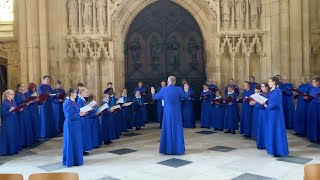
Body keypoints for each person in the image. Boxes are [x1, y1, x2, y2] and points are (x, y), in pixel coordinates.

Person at [151, 76, 190, 155]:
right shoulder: (178, 89)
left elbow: (155, 97)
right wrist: (186, 91)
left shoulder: (164, 89)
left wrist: (152, 92)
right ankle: (178, 149)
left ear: (168, 81)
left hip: (167, 113)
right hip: (177, 113)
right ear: (174, 82)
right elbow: (186, 97)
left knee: (167, 129)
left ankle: (166, 149)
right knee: (177, 130)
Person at [264, 76, 289, 157]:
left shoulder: (277, 91)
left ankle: (278, 151)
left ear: (274, 82)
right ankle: (273, 149)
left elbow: (275, 104)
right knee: (272, 130)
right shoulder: (272, 91)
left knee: (276, 130)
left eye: (269, 81)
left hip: (276, 114)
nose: (268, 83)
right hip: (271, 113)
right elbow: (269, 100)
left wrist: (266, 106)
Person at [62, 88, 86, 167]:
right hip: (71, 126)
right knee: (71, 143)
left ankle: (77, 160)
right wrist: (79, 114)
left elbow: (76, 111)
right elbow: (69, 116)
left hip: (75, 125)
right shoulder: (67, 103)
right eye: (76, 93)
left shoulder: (73, 101)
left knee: (76, 142)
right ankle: (70, 161)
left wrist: (82, 112)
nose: (77, 94)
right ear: (71, 93)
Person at [0, 90, 21, 155]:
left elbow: (16, 108)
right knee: (9, 134)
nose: (13, 95)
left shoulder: (14, 101)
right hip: (8, 121)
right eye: (12, 94)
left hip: (14, 120)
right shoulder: (4, 103)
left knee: (14, 133)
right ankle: (8, 150)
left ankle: (14, 149)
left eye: (13, 94)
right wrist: (9, 110)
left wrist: (19, 109)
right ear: (7, 95)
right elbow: (2, 113)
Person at [77, 87, 94, 155]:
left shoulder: (82, 100)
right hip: (82, 120)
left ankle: (84, 149)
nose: (87, 93)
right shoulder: (79, 100)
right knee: (83, 135)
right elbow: (80, 111)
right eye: (86, 92)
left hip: (85, 119)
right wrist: (87, 110)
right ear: (82, 92)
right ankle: (82, 150)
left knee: (85, 134)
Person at [255, 83, 270, 149]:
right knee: (261, 128)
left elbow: (268, 104)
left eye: (263, 86)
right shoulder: (260, 94)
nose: (262, 88)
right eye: (261, 86)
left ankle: (266, 144)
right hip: (261, 113)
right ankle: (261, 144)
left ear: (267, 87)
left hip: (266, 113)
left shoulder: (269, 94)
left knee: (266, 128)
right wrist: (254, 103)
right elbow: (258, 104)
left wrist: (263, 104)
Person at [306, 76, 320, 142]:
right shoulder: (312, 89)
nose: (312, 83)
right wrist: (307, 98)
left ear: (318, 82)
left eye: (314, 82)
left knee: (318, 122)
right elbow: (310, 98)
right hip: (312, 107)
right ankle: (313, 137)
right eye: (312, 82)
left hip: (318, 108)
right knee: (312, 121)